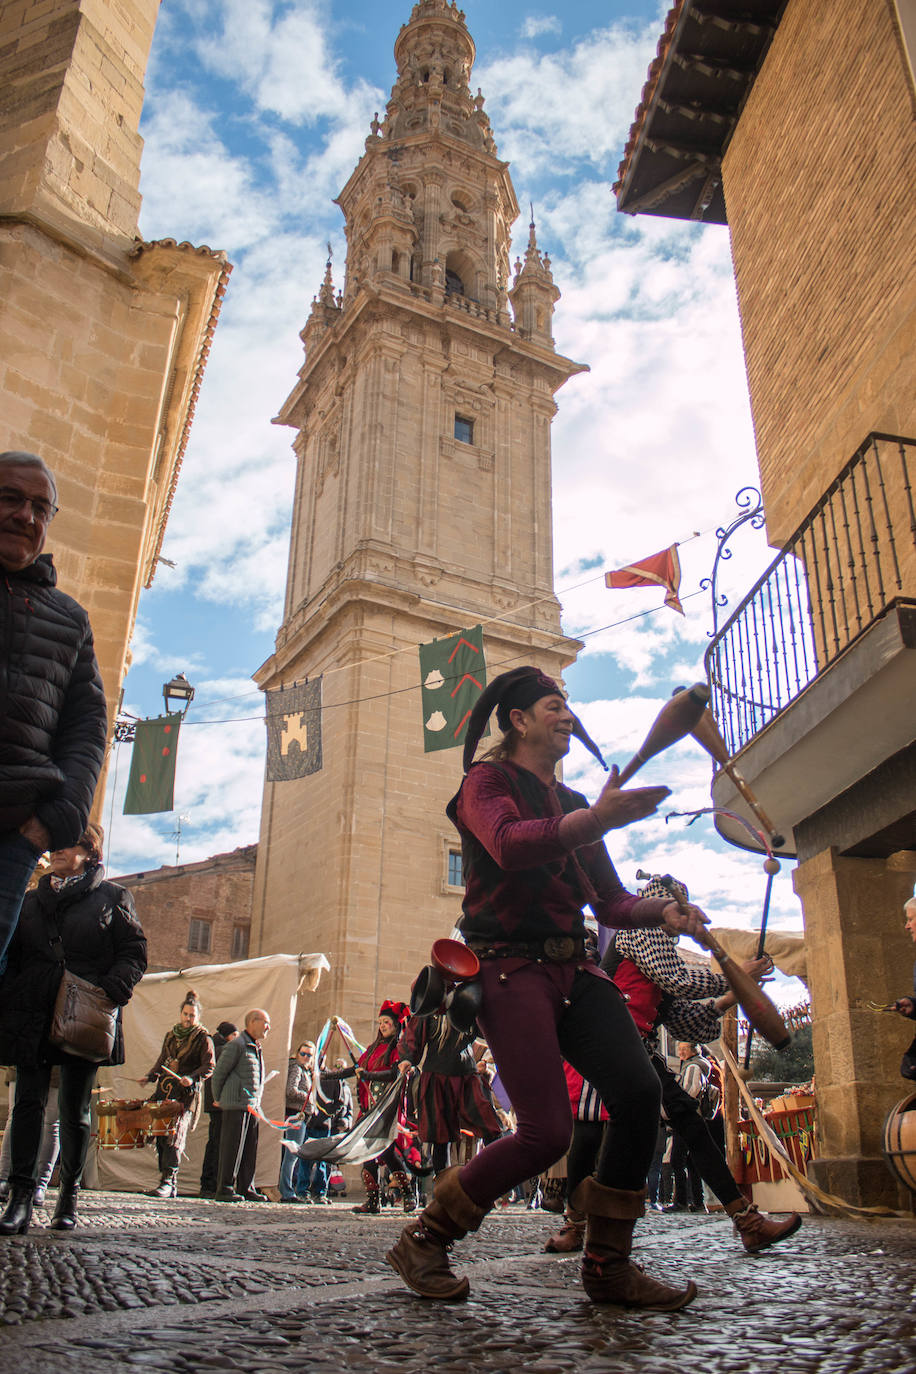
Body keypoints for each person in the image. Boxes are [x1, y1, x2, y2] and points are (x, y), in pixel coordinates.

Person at [386, 665, 709, 1310]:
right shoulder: (485, 783)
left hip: (576, 971)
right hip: (507, 971)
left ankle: (608, 1266)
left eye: (569, 707)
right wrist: (594, 820)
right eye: (555, 705)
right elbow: (508, 845)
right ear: (519, 720)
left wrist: (661, 913)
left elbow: (612, 904)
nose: (568, 716)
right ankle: (427, 1236)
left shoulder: (569, 803)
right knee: (545, 1134)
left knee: (641, 1093)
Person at [603, 872, 801, 1253]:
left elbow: (687, 1023)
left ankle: (745, 1220)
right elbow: (677, 979)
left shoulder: (658, 952)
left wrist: (734, 994)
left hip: (633, 1047)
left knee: (687, 1122)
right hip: (608, 1044)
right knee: (594, 1138)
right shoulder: (640, 933)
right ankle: (581, 1227)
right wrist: (735, 975)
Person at [0, 822, 146, 1233]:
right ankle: (21, 1197)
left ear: (89, 852)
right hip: (33, 1011)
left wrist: (110, 990)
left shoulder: (113, 897)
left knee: (74, 1110)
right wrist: (12, 995)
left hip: (84, 1014)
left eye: (69, 844)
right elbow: (11, 954)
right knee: (27, 1104)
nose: (58, 850)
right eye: (56, 844)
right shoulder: (30, 900)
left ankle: (68, 1197)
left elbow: (134, 953)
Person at [0, 450, 108, 969]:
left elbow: (87, 728)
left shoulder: (70, 620)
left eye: (41, 508)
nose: (26, 516)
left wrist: (54, 822)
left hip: (12, 839)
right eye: (11, 499)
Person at [396, 1011, 503, 1176]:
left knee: (489, 1126)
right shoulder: (430, 1004)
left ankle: (498, 1179)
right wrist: (407, 1058)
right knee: (440, 1135)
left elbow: (488, 1027)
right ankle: (442, 1188)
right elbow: (414, 1035)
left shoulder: (469, 999)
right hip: (436, 1076)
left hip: (466, 1075)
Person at [338, 1001, 412, 1215]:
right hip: (369, 1106)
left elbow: (394, 1074)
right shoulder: (372, 1049)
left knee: (387, 1152)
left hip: (386, 1104)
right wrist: (330, 1076)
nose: (382, 1026)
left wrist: (369, 1076)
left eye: (386, 1022)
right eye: (380, 1022)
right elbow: (357, 1069)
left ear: (395, 1025)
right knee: (367, 1152)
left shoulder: (399, 1048)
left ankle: (408, 1193)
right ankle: (373, 1200)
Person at [139, 989, 214, 1199]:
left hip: (185, 1096)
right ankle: (167, 1184)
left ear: (198, 1017)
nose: (188, 1019)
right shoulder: (171, 1036)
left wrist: (191, 1077)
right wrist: (150, 1076)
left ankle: (168, 1181)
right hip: (164, 1091)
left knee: (174, 1135)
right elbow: (162, 1060)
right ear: (180, 1014)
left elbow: (209, 1066)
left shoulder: (203, 1038)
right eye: (186, 1014)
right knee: (161, 1135)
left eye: (192, 1015)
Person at [211, 1008, 270, 1202]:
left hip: (252, 1106)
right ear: (252, 1022)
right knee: (232, 1148)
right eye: (265, 1022)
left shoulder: (256, 1047)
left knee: (249, 1149)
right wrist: (218, 1098)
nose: (268, 1027)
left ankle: (246, 1187)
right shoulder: (237, 1045)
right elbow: (219, 1074)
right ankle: (225, 1187)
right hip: (236, 1104)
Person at [298, 1053, 353, 1204]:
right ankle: (302, 1191)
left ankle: (320, 1192)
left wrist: (328, 1114)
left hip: (324, 1125)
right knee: (305, 1160)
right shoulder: (308, 1076)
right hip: (308, 1123)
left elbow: (340, 1101)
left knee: (323, 1162)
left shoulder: (331, 1078)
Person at [668, 1043, 710, 1211]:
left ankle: (682, 1201)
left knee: (677, 1159)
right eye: (679, 1049)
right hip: (695, 1116)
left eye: (684, 1048)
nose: (680, 1052)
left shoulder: (693, 1066)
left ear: (693, 1050)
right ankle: (698, 1202)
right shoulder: (699, 1064)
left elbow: (691, 1090)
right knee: (692, 1161)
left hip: (687, 1117)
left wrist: (677, 1107)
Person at [200, 1021, 238, 1197]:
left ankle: (209, 1183)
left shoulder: (216, 1048)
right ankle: (210, 1184)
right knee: (217, 1144)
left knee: (214, 1143)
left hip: (216, 1102)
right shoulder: (223, 1050)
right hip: (220, 1103)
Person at [279, 1041, 315, 1202]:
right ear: (297, 1053)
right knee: (291, 1155)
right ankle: (287, 1192)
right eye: (303, 1053)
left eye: (309, 1055)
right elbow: (290, 1090)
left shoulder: (307, 1071)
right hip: (295, 1115)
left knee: (293, 1155)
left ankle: (288, 1190)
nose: (306, 1057)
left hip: (301, 1116)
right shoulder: (296, 1068)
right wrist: (308, 1098)